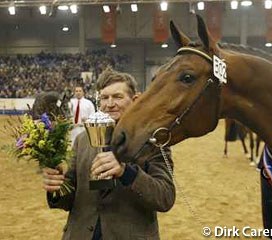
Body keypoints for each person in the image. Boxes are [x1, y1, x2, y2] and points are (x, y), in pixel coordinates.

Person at [42, 67, 176, 240]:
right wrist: (57, 187)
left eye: (118, 97)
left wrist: (125, 172)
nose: (109, 103)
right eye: (104, 97)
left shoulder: (153, 142)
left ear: (135, 99)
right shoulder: (83, 140)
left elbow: (165, 197)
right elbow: (68, 200)